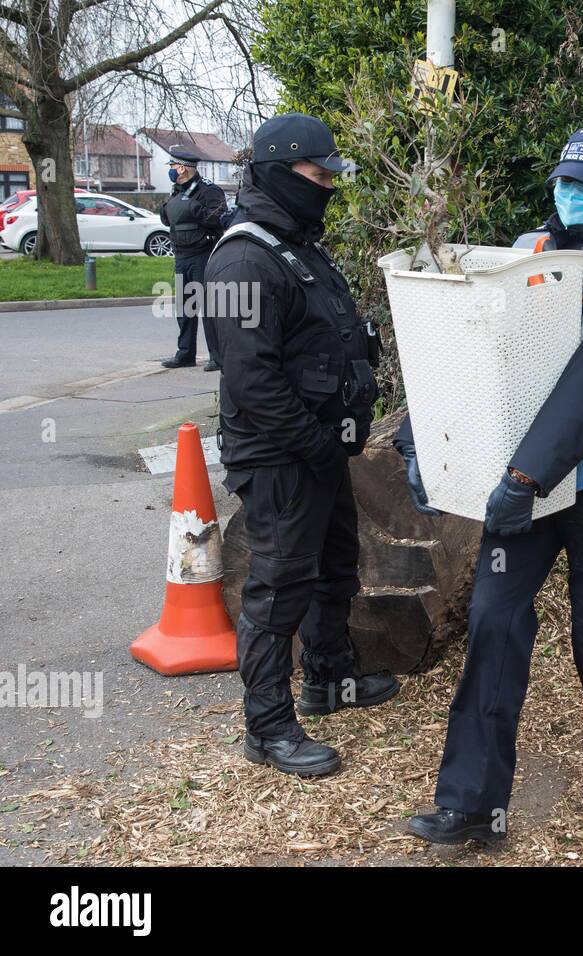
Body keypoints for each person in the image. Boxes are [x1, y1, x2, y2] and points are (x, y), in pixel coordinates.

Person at [398, 123, 583, 845]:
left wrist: (526, 476)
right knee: (494, 623)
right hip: (523, 483)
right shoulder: (528, 252)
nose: (570, 194)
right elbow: (466, 347)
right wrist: (423, 442)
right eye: (564, 180)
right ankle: (470, 806)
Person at [207, 113, 399, 777]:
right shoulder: (243, 256)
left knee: (335, 564)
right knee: (279, 585)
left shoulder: (297, 244)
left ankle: (328, 680)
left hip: (319, 447)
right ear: (276, 172)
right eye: (317, 176)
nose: (326, 188)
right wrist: (313, 444)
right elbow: (251, 379)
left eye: (329, 177)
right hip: (282, 454)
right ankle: (267, 727)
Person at [158, 144, 228, 371]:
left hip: (202, 254)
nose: (170, 169)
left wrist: (193, 208)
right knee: (185, 308)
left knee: (209, 309)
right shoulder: (176, 191)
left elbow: (219, 220)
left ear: (184, 168)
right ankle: (185, 354)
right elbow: (168, 220)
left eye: (173, 165)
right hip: (181, 255)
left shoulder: (209, 191)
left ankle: (216, 356)